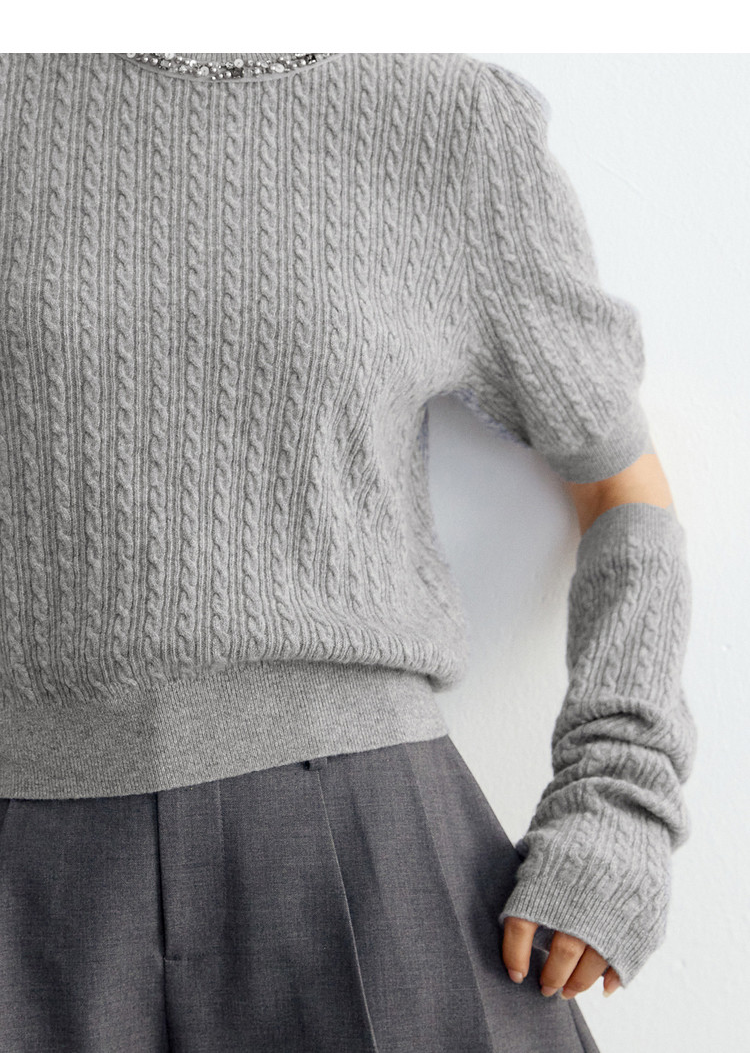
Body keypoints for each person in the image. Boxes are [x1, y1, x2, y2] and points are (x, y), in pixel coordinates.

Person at [0, 52, 696, 1052]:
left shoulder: (449, 125)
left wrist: (618, 806)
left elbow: (626, 495)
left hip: (368, 851)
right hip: (30, 860)